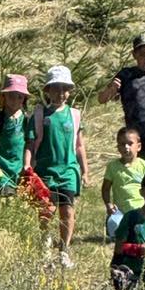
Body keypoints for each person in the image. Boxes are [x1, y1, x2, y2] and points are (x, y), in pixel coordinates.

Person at [24, 65, 89, 268]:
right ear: (47, 91)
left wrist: (85, 171)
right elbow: (30, 143)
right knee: (46, 210)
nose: (60, 93)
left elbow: (79, 145)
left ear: (69, 91)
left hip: (68, 171)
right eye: (56, 88)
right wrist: (27, 165)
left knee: (67, 211)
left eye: (64, 89)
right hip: (45, 171)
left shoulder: (74, 115)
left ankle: (64, 250)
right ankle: (45, 246)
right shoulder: (40, 115)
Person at [98, 33, 145, 161]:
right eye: (142, 54)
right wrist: (111, 89)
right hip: (135, 140)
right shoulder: (126, 75)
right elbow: (102, 99)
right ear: (134, 55)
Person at [101, 127, 145, 239]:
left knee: (143, 232)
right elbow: (105, 188)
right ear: (118, 147)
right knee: (113, 224)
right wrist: (108, 204)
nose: (126, 147)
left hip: (141, 208)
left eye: (130, 143)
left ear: (138, 146)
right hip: (121, 210)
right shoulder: (113, 166)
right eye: (122, 144)